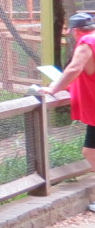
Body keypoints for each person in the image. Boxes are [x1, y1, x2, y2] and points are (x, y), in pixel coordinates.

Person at [34, 11, 95, 202]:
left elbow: (75, 68)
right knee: (90, 150)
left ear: (75, 31)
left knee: (90, 151)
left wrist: (54, 89)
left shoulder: (86, 43)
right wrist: (69, 87)